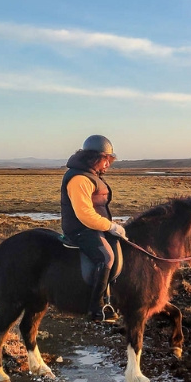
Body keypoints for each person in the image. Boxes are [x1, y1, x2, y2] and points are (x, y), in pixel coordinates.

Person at [60, 134, 127, 323]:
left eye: (109, 160)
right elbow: (85, 215)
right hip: (80, 229)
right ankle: (96, 308)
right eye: (106, 160)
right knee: (106, 257)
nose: (108, 165)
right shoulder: (79, 179)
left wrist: (110, 226)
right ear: (94, 158)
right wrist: (110, 226)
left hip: (93, 227)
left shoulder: (91, 175)